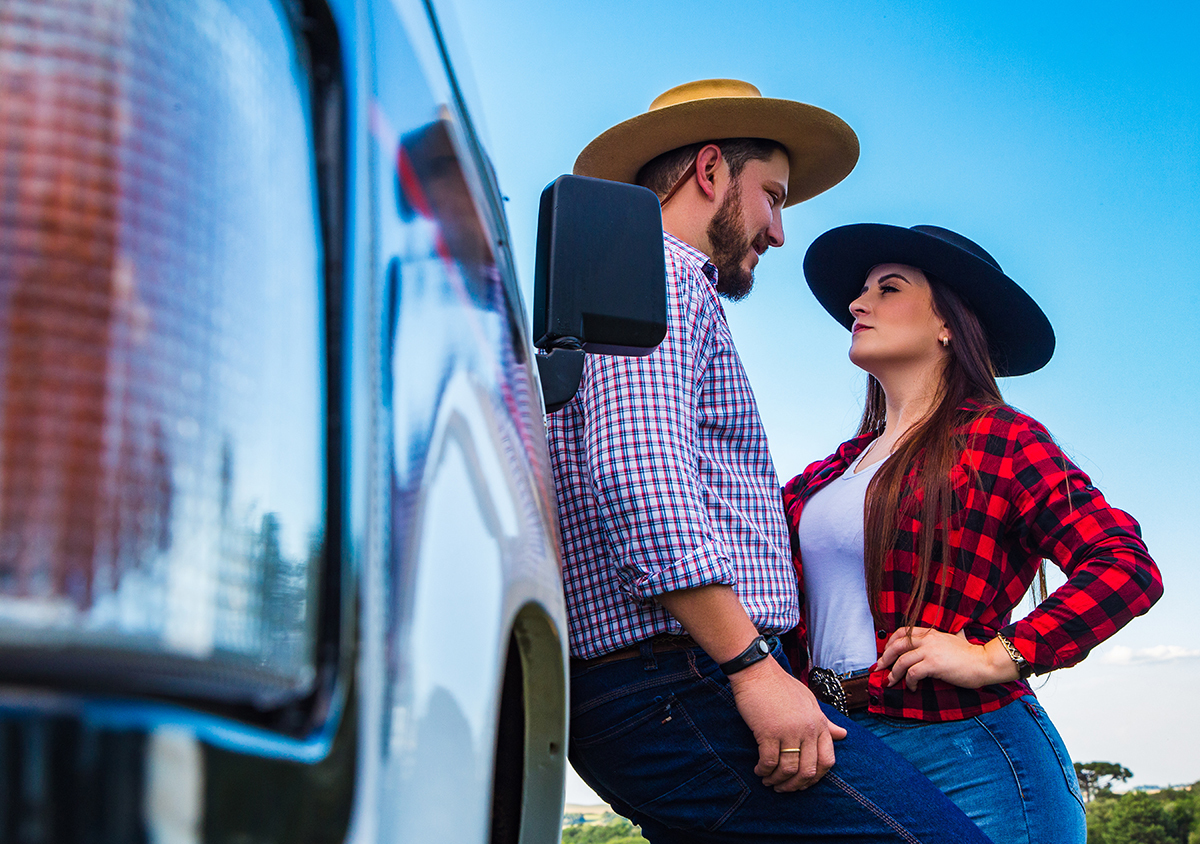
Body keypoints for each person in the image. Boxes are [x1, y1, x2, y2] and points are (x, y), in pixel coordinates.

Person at [549, 80, 996, 843]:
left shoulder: (638, 287)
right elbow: (640, 475)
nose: (779, 232)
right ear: (712, 172)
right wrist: (753, 667)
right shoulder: (653, 279)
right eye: (774, 197)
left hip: (669, 679)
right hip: (681, 677)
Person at [782, 223, 1164, 844]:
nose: (858, 303)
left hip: (974, 757)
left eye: (890, 288)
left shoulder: (1001, 439)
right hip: (841, 749)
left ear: (948, 326)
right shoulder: (827, 473)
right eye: (861, 291)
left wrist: (997, 655)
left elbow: (1124, 565)